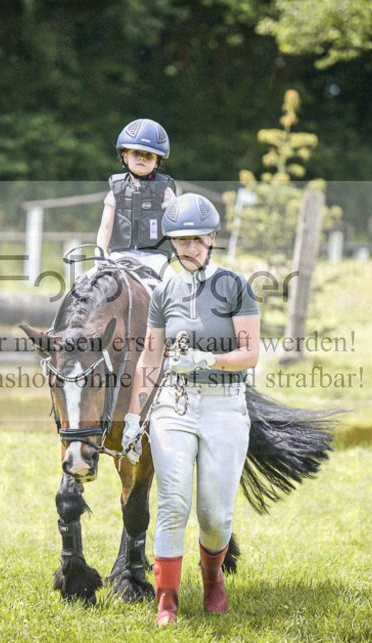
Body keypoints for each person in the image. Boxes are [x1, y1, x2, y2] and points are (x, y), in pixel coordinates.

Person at [122, 194, 260, 626]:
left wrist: (206, 359)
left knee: (215, 515)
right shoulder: (165, 290)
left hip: (224, 406)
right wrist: (133, 416)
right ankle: (167, 600)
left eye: (196, 240)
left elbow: (251, 354)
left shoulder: (236, 286)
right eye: (180, 241)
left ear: (212, 238)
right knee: (173, 503)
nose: (188, 248)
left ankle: (213, 578)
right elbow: (149, 358)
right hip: (174, 406)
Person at [95, 118, 178, 277]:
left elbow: (174, 227)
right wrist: (100, 252)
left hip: (156, 257)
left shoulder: (165, 191)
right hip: (120, 255)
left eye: (148, 156)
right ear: (125, 156)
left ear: (156, 162)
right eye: (136, 153)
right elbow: (105, 226)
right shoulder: (115, 190)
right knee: (88, 281)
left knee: (175, 286)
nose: (141, 158)